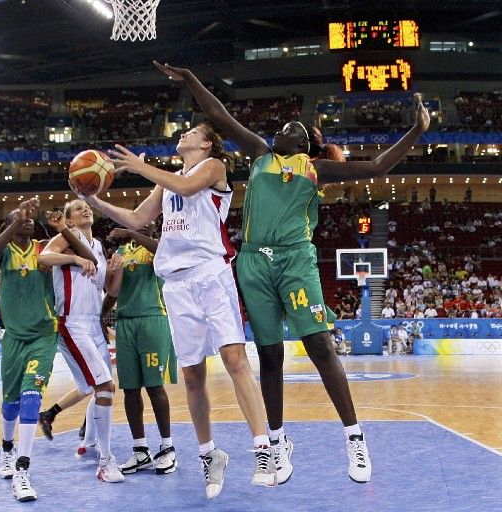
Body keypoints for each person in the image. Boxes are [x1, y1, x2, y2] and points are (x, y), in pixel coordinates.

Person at [154, 60, 430, 484]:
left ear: (306, 145)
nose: (288, 127)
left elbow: (377, 169)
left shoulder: (315, 169)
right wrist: (192, 78)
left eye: (297, 129)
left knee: (319, 346)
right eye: (285, 126)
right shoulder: (261, 155)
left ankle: (354, 438)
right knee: (268, 355)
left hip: (294, 259)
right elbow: (220, 117)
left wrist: (416, 132)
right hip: (252, 262)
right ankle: (277, 442)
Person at [77, 122, 281, 498]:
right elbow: (137, 219)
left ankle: (263, 448)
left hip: (211, 274)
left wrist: (139, 167)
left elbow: (187, 187)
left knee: (235, 360)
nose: (184, 134)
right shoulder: (165, 182)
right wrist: (94, 202)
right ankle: (208, 454)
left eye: (192, 132)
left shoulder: (215, 167)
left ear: (205, 144)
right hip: (176, 284)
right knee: (191, 377)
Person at [37, 201, 124, 483]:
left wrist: (116, 270)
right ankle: (105, 462)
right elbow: (44, 258)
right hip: (72, 322)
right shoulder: (64, 238)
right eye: (77, 208)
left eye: (87, 206)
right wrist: (74, 259)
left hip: (94, 323)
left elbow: (109, 289)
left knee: (95, 387)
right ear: (68, 219)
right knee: (104, 387)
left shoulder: (97, 245)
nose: (84, 209)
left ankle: (87, 444)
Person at [0, 198, 59, 502]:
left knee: (31, 398)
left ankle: (22, 471)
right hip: (14, 339)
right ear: (9, 225)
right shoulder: (4, 253)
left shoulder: (44, 249)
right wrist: (16, 220)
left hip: (43, 335)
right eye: (19, 217)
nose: (28, 219)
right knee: (10, 404)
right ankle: (5, 448)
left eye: (29, 217)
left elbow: (77, 249)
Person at [104, 225, 178, 475]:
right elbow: (113, 292)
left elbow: (161, 251)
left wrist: (132, 232)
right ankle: (140, 451)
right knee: (130, 390)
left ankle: (168, 449)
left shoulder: (158, 247)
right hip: (125, 322)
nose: (136, 223)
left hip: (152, 319)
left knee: (155, 387)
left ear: (152, 226)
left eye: (140, 221)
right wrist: (101, 312)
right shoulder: (120, 253)